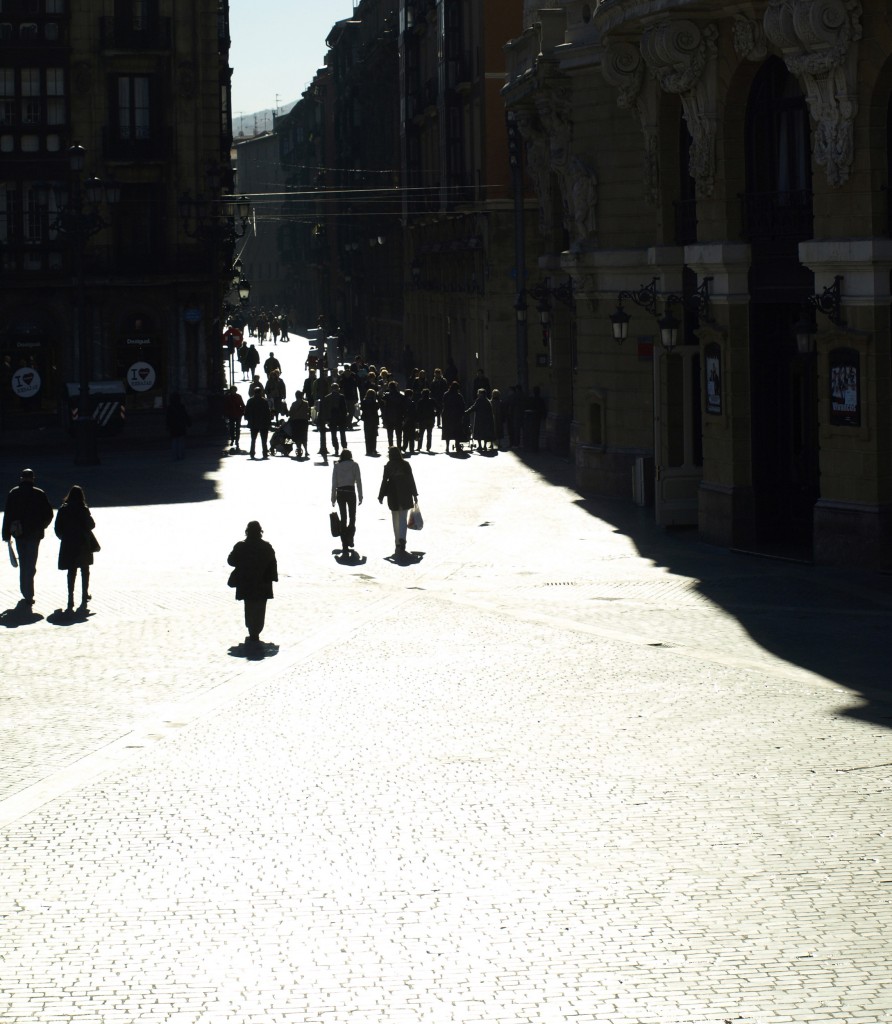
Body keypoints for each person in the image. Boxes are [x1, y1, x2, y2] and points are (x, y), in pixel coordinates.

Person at [2, 467, 54, 608]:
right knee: (31, 563)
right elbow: (49, 514)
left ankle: (26, 591)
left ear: (21, 479)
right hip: (34, 534)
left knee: (24, 563)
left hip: (19, 533)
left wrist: (6, 533)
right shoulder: (39, 494)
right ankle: (28, 592)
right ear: (33, 479)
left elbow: (8, 514)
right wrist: (41, 526)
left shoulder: (14, 493)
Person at [227, 521, 278, 647]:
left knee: (249, 607)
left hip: (246, 583)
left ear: (247, 532)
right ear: (260, 531)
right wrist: (273, 577)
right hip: (263, 583)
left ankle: (252, 631)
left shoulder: (241, 546)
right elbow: (273, 563)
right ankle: (256, 631)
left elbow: (231, 561)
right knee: (260, 609)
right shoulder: (267, 547)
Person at [54, 484, 97, 614]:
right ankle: (84, 594)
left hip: (68, 543)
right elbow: (92, 525)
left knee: (71, 570)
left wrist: (64, 537)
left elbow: (57, 528)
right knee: (85, 569)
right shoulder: (83, 509)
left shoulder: (63, 509)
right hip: (83, 542)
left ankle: (70, 597)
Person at [378, 446, 418, 557]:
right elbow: (411, 479)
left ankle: (397, 542)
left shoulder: (388, 466)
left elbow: (384, 481)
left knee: (395, 520)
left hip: (393, 495)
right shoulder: (405, 465)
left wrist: (381, 495)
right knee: (402, 519)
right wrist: (415, 494)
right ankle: (402, 540)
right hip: (405, 494)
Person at [330, 449, 363, 555]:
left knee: (343, 518)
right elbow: (358, 481)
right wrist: (360, 495)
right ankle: (350, 537)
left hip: (340, 492)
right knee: (352, 517)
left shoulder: (337, 466)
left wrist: (333, 498)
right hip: (351, 492)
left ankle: (344, 543)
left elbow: (334, 483)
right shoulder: (355, 465)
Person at [244, 385, 272, 459]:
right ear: (260, 392)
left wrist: (248, 419)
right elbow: (268, 412)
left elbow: (246, 411)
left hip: (253, 423)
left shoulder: (250, 400)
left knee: (253, 439)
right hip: (263, 423)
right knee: (264, 440)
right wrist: (269, 422)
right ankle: (265, 453)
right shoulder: (264, 401)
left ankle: (252, 452)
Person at [441, 380, 466, 453]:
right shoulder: (459, 396)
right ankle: (457, 446)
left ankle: (447, 447)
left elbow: (443, 403)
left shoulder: (446, 394)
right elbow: (462, 405)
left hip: (447, 414)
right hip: (456, 415)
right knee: (457, 431)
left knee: (447, 431)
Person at [166, 393, 191, 460]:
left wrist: (168, 426)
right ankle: (181, 455)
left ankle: (175, 455)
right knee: (181, 441)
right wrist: (188, 423)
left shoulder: (170, 408)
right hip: (181, 425)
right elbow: (185, 416)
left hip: (173, 426)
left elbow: (168, 418)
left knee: (174, 441)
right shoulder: (181, 406)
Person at [288, 390, 311, 458]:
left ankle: (299, 449)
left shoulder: (294, 404)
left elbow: (290, 413)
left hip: (296, 422)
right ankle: (306, 450)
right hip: (304, 421)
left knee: (297, 437)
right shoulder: (306, 403)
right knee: (304, 436)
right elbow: (308, 411)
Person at [222, 385, 245, 452]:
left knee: (237, 428)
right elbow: (225, 406)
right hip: (231, 414)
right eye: (232, 390)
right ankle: (232, 439)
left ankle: (237, 440)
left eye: (234, 390)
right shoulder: (228, 397)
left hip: (238, 414)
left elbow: (242, 404)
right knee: (231, 428)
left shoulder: (238, 396)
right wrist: (226, 413)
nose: (233, 391)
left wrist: (242, 411)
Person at [415, 387, 436, 453]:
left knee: (421, 434)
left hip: (422, 420)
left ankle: (419, 447)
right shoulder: (432, 401)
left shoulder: (420, 401)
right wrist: (435, 414)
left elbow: (418, 411)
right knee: (429, 434)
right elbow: (438, 408)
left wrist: (417, 420)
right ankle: (428, 447)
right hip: (430, 419)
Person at [361, 387, 380, 456]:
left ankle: (368, 449)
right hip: (374, 419)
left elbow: (362, 408)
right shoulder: (374, 401)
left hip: (366, 420)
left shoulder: (364, 401)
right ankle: (373, 448)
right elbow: (377, 408)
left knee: (367, 435)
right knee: (374, 435)